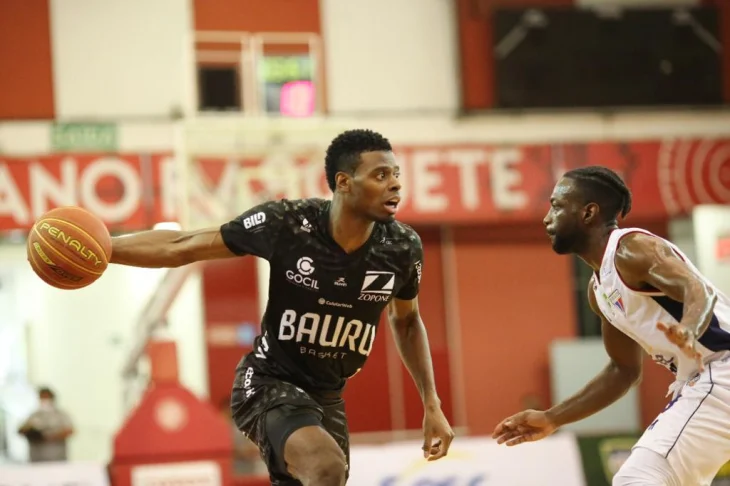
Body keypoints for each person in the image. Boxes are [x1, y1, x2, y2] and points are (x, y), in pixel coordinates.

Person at [110, 129, 454, 485]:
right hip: (267, 382)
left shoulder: (401, 247)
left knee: (327, 475)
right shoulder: (289, 224)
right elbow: (183, 244)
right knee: (326, 466)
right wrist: (107, 249)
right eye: (380, 175)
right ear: (344, 182)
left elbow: (407, 321)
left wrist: (432, 403)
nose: (395, 184)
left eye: (396, 174)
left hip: (327, 397)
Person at [492, 166, 730, 486]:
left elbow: (696, 290)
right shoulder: (599, 290)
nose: (547, 218)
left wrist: (688, 328)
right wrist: (552, 418)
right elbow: (623, 371)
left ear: (588, 213)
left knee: (639, 477)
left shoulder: (631, 249)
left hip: (721, 369)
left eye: (557, 206)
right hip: (704, 380)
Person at [18, 387, 74, 463]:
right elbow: (21, 430)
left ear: (52, 398)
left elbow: (70, 431)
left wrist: (50, 437)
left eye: (46, 397)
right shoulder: (34, 415)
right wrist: (32, 433)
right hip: (37, 459)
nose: (44, 400)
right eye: (42, 397)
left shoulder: (61, 415)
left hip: (57, 458)